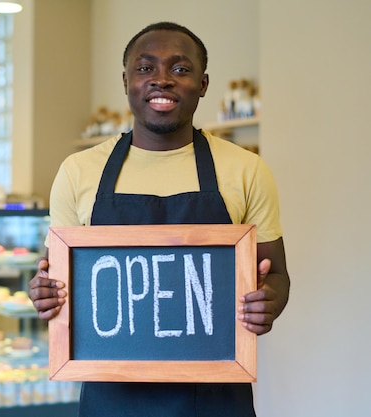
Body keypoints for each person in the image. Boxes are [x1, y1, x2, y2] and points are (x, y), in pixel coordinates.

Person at [28, 21, 290, 417]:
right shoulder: (78, 171)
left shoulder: (246, 170)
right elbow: (56, 277)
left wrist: (269, 303)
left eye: (180, 70)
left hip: (215, 400)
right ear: (126, 81)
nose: (162, 80)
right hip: (109, 398)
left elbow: (277, 276)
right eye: (145, 68)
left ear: (203, 84)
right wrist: (46, 295)